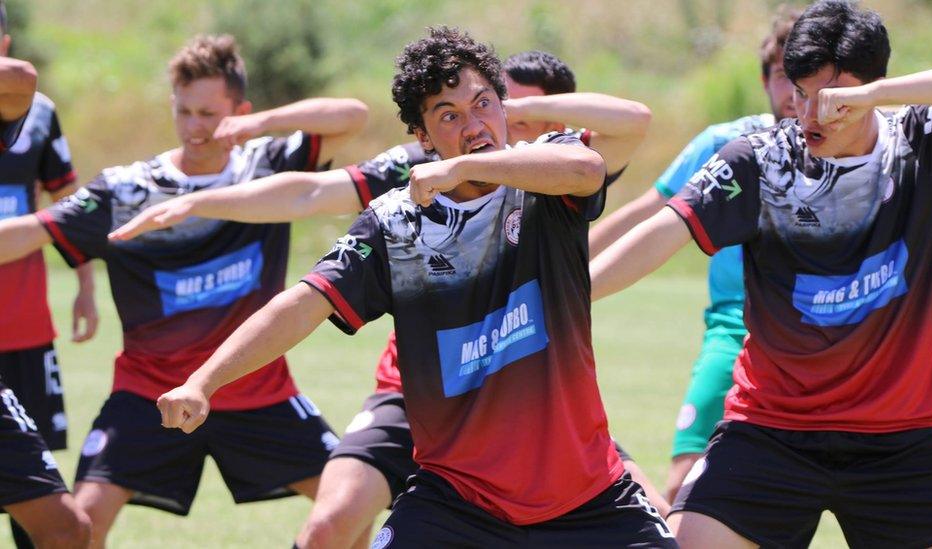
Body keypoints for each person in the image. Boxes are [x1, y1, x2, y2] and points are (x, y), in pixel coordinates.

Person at [111, 49, 661, 548]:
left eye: (483, 105)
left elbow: (589, 169)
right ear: (421, 136)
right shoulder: (395, 222)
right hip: (458, 501)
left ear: (505, 107)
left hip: (586, 499)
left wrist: (466, 166)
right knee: (331, 523)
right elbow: (306, 300)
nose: (473, 125)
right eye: (448, 115)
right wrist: (202, 381)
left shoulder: (548, 173)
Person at [590, 1, 932, 546]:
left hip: (898, 438)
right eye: (799, 93)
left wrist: (873, 98)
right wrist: (571, 296)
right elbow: (662, 232)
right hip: (770, 432)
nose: (810, 114)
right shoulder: (758, 160)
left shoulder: (919, 142)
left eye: (831, 99)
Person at [0, 34, 368, 548]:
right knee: (78, 528)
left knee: (351, 508)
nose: (197, 128)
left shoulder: (265, 167)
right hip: (149, 394)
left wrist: (261, 125)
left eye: (210, 114)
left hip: (256, 390)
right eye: (186, 112)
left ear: (238, 112)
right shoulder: (129, 190)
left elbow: (353, 116)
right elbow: (35, 229)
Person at [588, 5, 799, 502]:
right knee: (684, 478)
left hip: (812, 335)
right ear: (766, 80)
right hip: (731, 328)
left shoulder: (863, 145)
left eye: (807, 76)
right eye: (783, 75)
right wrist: (559, 267)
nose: (793, 92)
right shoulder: (728, 144)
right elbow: (652, 210)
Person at [0, 2, 99, 545]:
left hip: (25, 328)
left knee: (33, 495)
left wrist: (85, 287)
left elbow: (69, 205)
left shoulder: (32, 112)